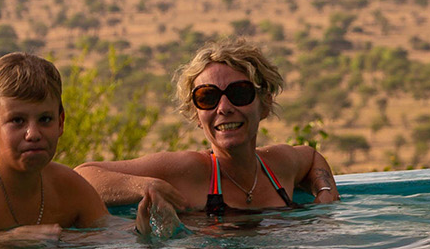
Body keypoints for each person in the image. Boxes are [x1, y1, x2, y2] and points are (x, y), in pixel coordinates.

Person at [76, 38, 338, 220]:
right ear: (197, 114)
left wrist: (326, 194)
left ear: (265, 104)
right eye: (208, 97)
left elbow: (312, 157)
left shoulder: (278, 165)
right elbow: (83, 176)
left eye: (239, 93)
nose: (223, 107)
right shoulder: (188, 170)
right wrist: (146, 185)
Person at [0, 52, 139, 235]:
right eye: (17, 121)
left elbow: (111, 235)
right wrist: (4, 243)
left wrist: (145, 227)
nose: (33, 134)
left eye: (45, 119)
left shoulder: (70, 188)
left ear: (60, 123)